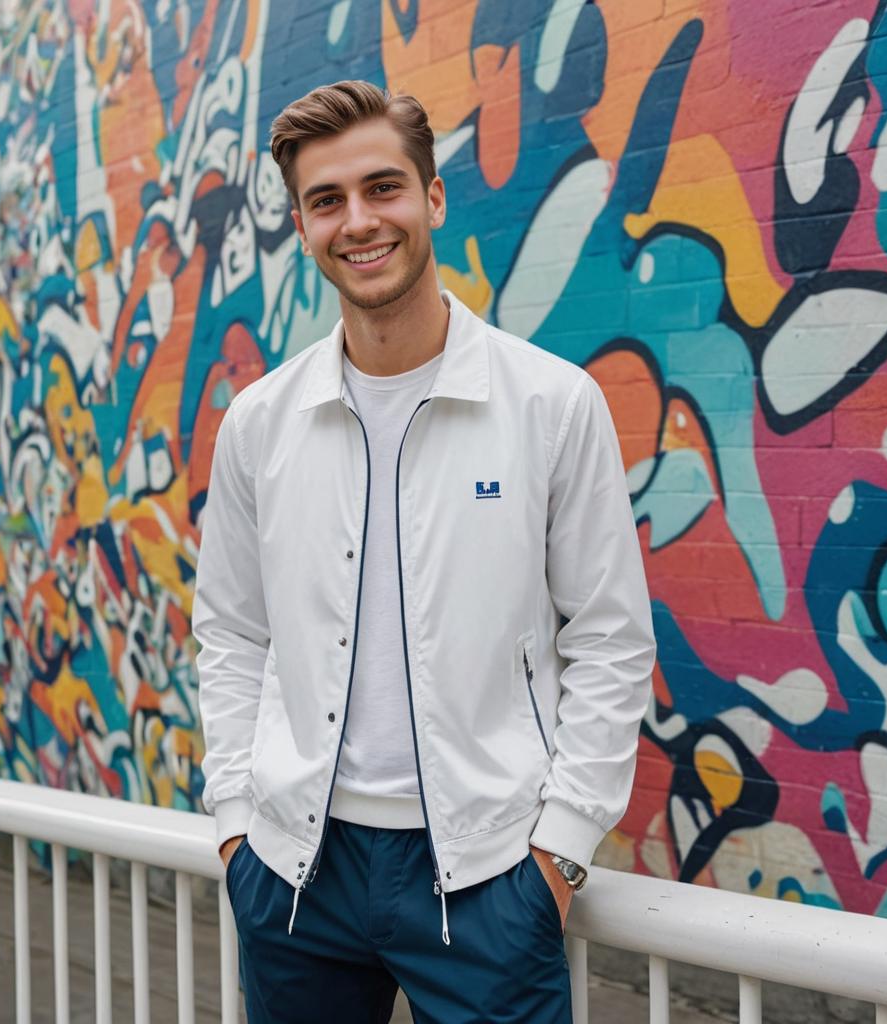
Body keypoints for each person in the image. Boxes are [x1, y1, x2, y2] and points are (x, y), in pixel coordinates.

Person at [192, 79, 655, 1024]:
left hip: (488, 879)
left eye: (383, 188)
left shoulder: (552, 406)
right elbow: (232, 636)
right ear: (303, 224)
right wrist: (238, 827)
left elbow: (610, 638)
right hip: (293, 877)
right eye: (327, 201)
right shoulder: (257, 423)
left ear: (433, 198)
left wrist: (559, 854)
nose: (358, 221)